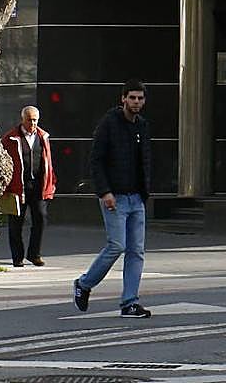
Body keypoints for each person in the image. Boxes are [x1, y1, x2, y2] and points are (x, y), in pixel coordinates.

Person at [73, 80, 153, 318]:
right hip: (114, 197)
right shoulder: (109, 124)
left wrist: (145, 190)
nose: (136, 102)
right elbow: (96, 160)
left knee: (136, 251)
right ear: (123, 99)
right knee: (116, 245)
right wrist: (104, 192)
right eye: (132, 98)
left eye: (140, 98)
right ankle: (84, 284)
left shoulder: (142, 126)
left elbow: (145, 160)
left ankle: (129, 302)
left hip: (136, 197)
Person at [1, 105, 57, 267]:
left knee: (40, 218)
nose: (32, 123)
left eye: (35, 120)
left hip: (38, 185)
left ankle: (34, 254)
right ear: (22, 119)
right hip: (18, 186)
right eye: (29, 120)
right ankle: (17, 257)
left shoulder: (42, 136)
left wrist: (51, 183)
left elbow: (48, 162)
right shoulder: (10, 138)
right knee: (16, 223)